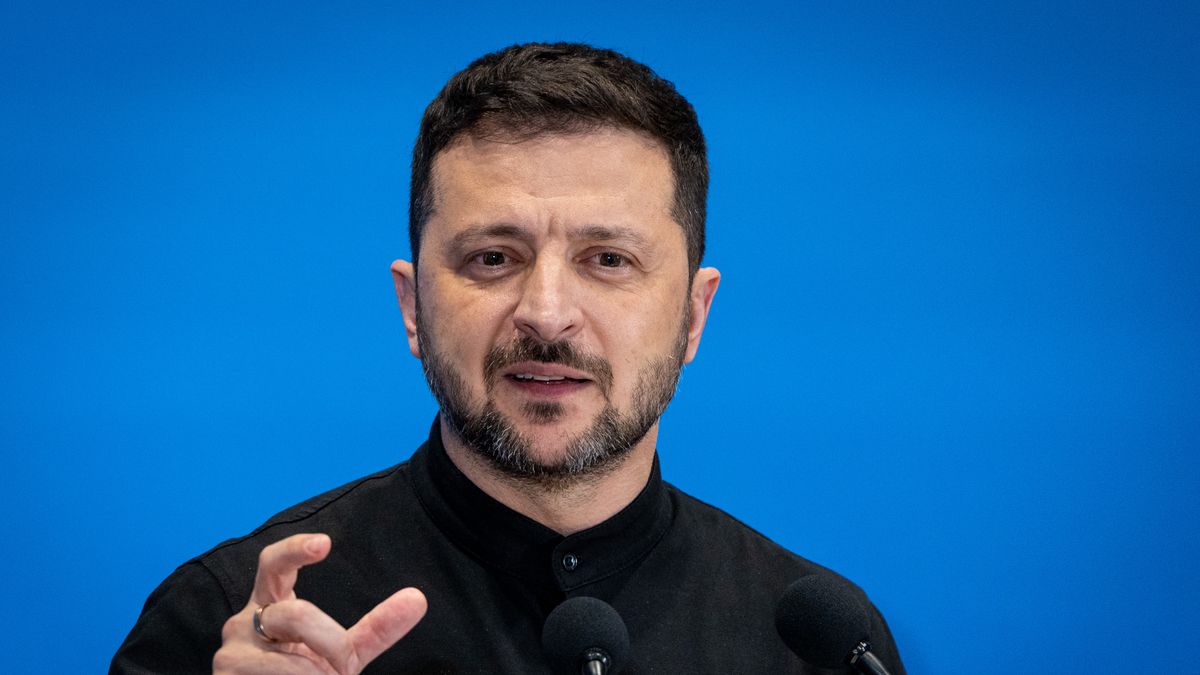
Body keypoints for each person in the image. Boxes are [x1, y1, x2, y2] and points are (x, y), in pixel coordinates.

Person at [111, 42, 905, 674]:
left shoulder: (825, 645)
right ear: (413, 306)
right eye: (493, 258)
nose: (548, 314)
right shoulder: (228, 629)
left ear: (694, 316)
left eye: (608, 260)